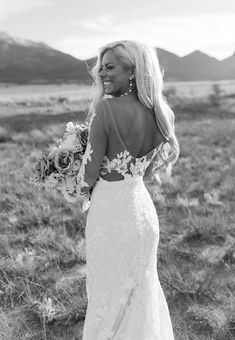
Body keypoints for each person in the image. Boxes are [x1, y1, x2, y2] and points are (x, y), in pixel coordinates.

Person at [76, 40, 179, 340]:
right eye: (100, 67)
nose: (101, 74)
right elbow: (142, 170)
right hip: (142, 212)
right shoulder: (161, 115)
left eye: (110, 67)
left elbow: (88, 175)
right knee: (141, 288)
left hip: (110, 213)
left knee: (107, 293)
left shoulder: (106, 109)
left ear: (133, 71)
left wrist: (70, 172)